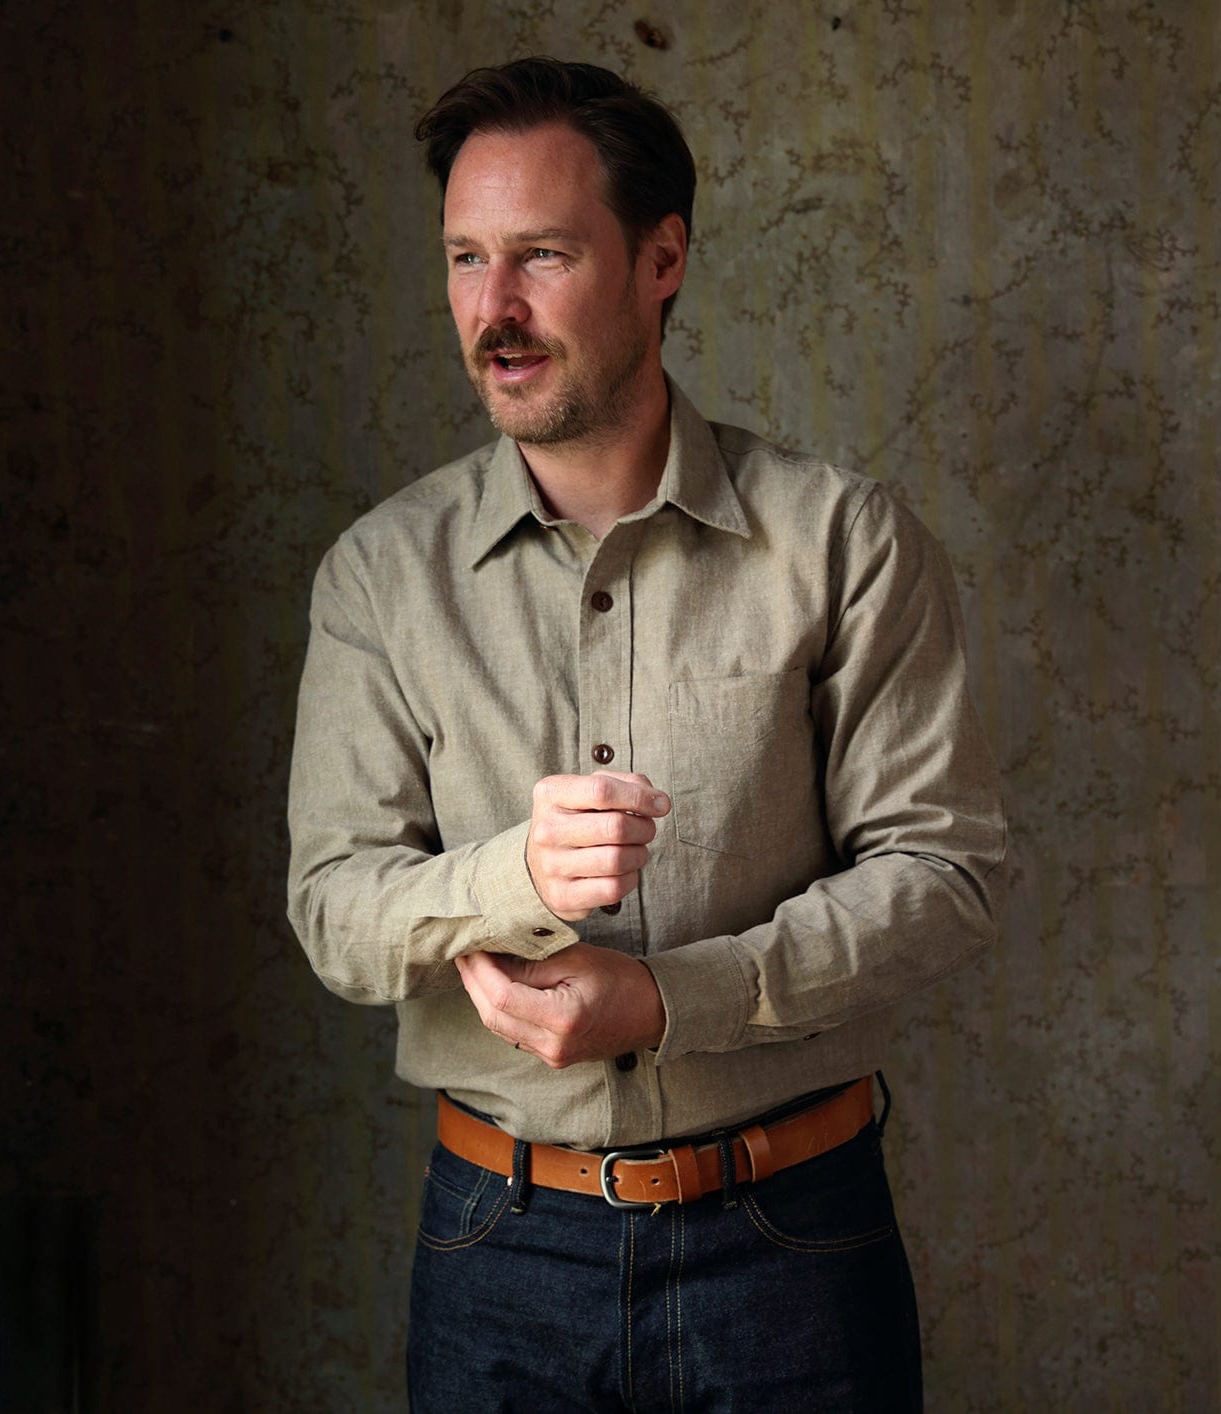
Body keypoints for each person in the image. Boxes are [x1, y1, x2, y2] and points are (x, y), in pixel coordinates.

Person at [287, 56, 1005, 1412]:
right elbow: (332, 909)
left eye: (542, 256)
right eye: (463, 259)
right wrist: (510, 879)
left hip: (793, 1240)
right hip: (497, 1243)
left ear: (660, 257)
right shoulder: (379, 576)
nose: (491, 310)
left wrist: (678, 1000)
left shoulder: (846, 542)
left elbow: (945, 874)